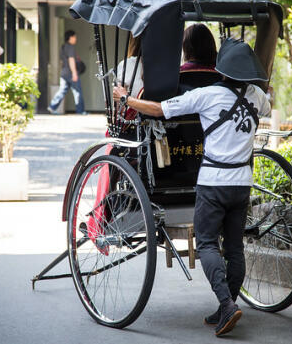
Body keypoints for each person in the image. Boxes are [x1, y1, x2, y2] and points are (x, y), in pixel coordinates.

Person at [113, 38, 271, 337]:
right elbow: (266, 103)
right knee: (234, 247)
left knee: (208, 243)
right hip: (242, 184)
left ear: (221, 68)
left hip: (213, 184)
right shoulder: (256, 96)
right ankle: (227, 306)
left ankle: (226, 305)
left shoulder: (208, 95)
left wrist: (126, 99)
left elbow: (159, 109)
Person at [48, 30, 87, 115]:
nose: (75, 39)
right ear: (71, 37)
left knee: (62, 91)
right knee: (77, 91)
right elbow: (71, 60)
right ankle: (80, 111)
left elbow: (62, 61)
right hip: (70, 73)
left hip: (64, 73)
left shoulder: (63, 47)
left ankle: (52, 106)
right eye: (75, 37)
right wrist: (74, 73)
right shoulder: (70, 47)